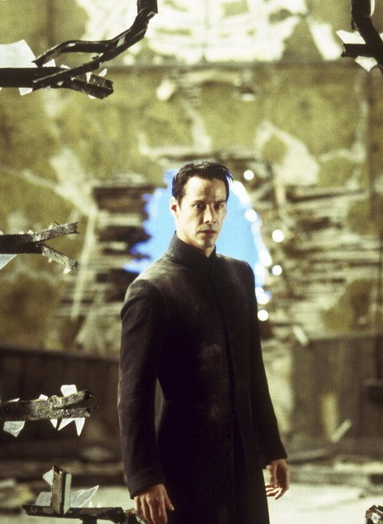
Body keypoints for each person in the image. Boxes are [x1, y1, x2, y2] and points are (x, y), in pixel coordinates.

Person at [118, 160, 290, 524]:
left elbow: (253, 371)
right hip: (184, 464)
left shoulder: (240, 275)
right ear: (176, 208)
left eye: (218, 205)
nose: (209, 217)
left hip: (243, 459)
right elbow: (133, 395)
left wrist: (271, 447)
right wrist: (144, 478)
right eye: (198, 206)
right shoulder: (151, 290)